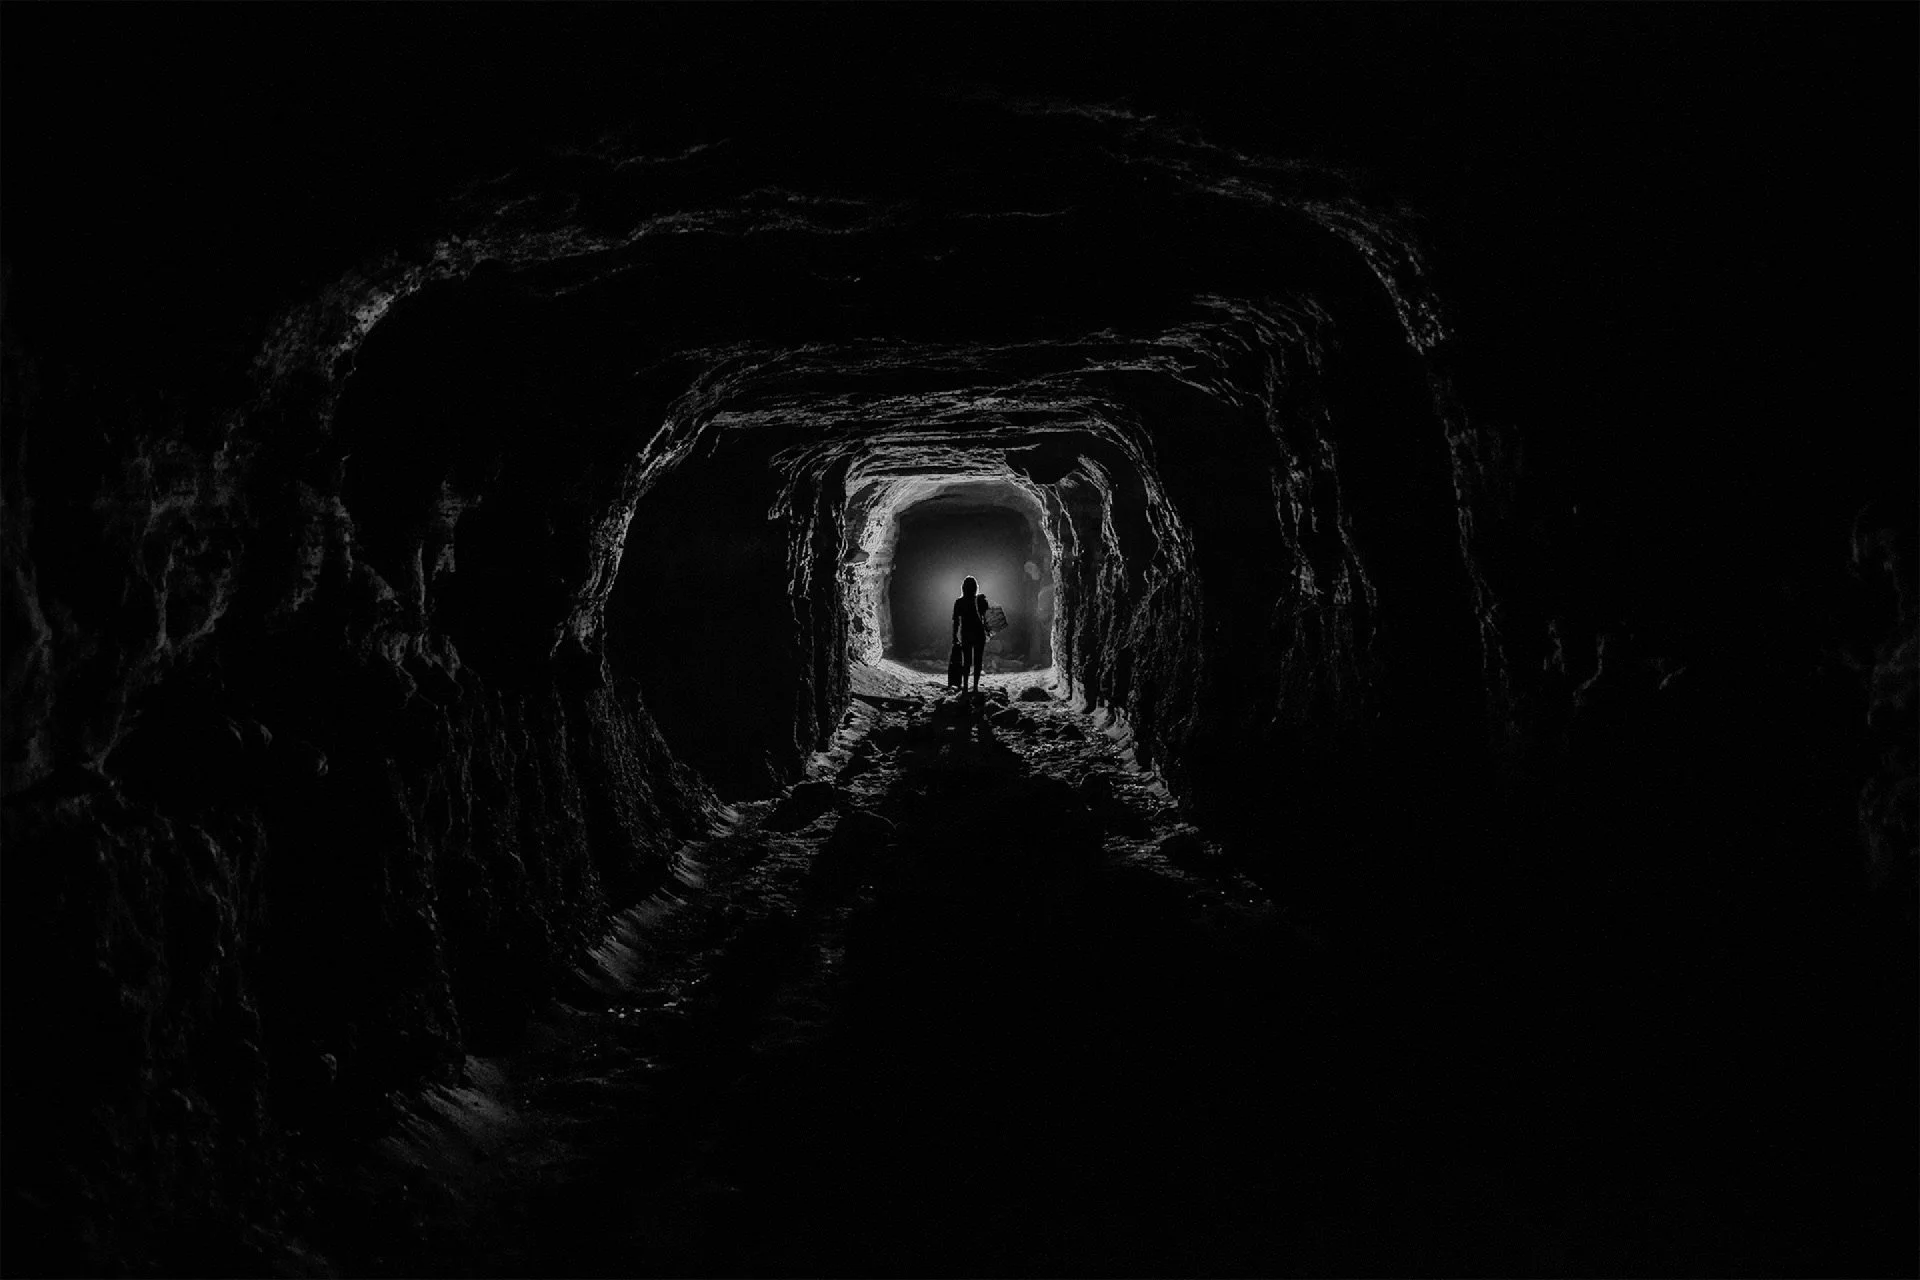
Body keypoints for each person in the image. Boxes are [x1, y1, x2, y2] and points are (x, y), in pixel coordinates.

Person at [951, 575, 990, 693]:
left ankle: (966, 687)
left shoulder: (959, 602)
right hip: (979, 633)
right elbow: (987, 616)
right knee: (978, 661)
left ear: (963, 588)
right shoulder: (980, 600)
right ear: (975, 588)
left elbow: (956, 622)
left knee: (966, 661)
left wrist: (954, 636)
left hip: (966, 633)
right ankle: (976, 687)